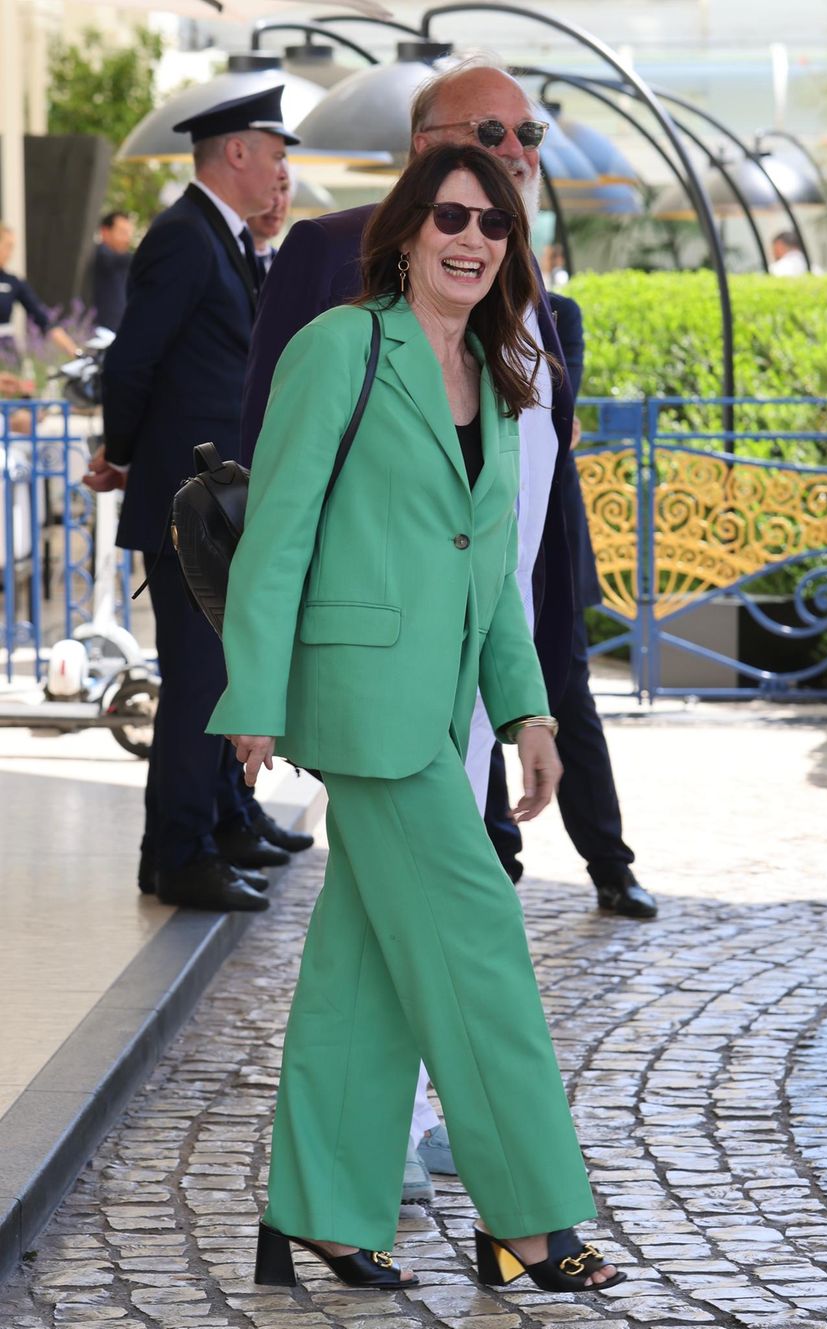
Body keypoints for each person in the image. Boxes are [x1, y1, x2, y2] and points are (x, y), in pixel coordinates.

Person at [210, 142, 626, 1294]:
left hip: (438, 711)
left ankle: (316, 1210)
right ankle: (532, 1218)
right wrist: (251, 695)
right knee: (480, 941)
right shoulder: (341, 346)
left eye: (494, 227)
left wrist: (529, 711)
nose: (472, 241)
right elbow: (279, 528)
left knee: (367, 973)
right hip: (358, 704)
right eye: (450, 217)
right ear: (404, 231)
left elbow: (489, 572)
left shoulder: (493, 369)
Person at [84, 87, 304, 912]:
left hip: (212, 498)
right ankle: (178, 853)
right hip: (190, 504)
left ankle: (215, 825)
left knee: (217, 675)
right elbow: (131, 363)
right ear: (237, 152)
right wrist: (128, 455)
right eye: (275, 153)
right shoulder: (184, 237)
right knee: (198, 683)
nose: (283, 170)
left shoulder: (216, 235)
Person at [483, 290, 654, 917]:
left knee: (569, 700)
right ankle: (497, 859)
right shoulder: (443, 305)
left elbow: (552, 412)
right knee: (467, 704)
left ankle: (610, 865)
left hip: (549, 542)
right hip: (467, 541)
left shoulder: (561, 314)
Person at [0, 223, 80, 362]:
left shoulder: (13, 282)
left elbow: (42, 317)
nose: (10, 253)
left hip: (5, 354)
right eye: (8, 246)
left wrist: (75, 351)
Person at [86, 211, 135, 332]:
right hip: (99, 330)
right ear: (105, 232)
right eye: (122, 232)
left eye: (129, 233)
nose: (127, 239)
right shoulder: (103, 256)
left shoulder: (122, 261)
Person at [248, 174, 291, 283]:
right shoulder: (217, 260)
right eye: (268, 188)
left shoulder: (289, 268)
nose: (278, 202)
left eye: (284, 188)